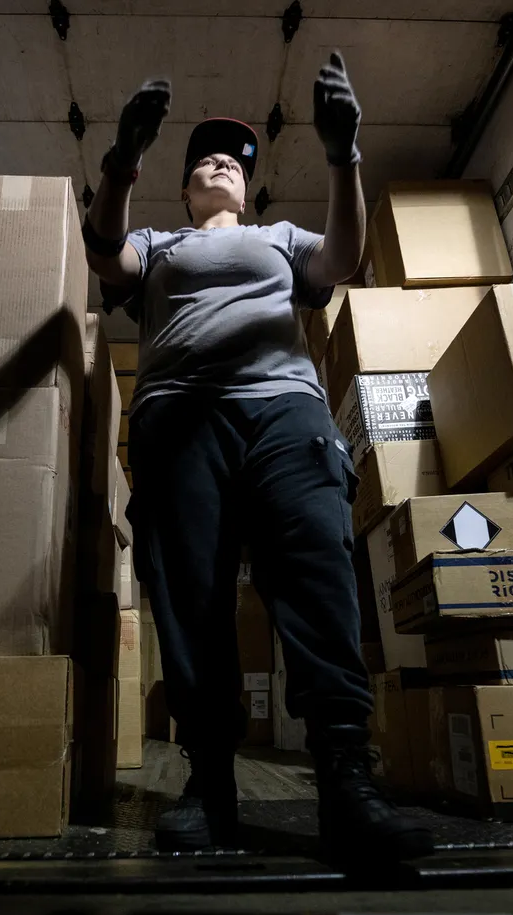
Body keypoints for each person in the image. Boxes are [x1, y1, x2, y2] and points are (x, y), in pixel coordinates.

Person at [82, 54, 432, 864]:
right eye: (201, 158)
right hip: (179, 421)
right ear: (184, 188)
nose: (217, 163)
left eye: (232, 161)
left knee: (315, 577)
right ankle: (211, 786)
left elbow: (341, 262)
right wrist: (122, 160)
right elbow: (106, 255)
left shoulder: (280, 238)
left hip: (283, 413)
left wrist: (345, 156)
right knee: (195, 600)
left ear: (248, 188)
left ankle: (347, 781)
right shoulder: (157, 242)